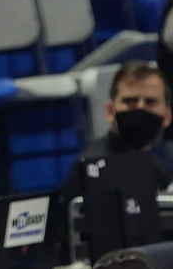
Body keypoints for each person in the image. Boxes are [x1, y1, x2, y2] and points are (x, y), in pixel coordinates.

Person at [61, 60, 173, 208]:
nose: (140, 108)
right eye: (130, 101)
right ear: (110, 111)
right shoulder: (92, 169)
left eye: (150, 102)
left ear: (167, 116)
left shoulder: (164, 162)